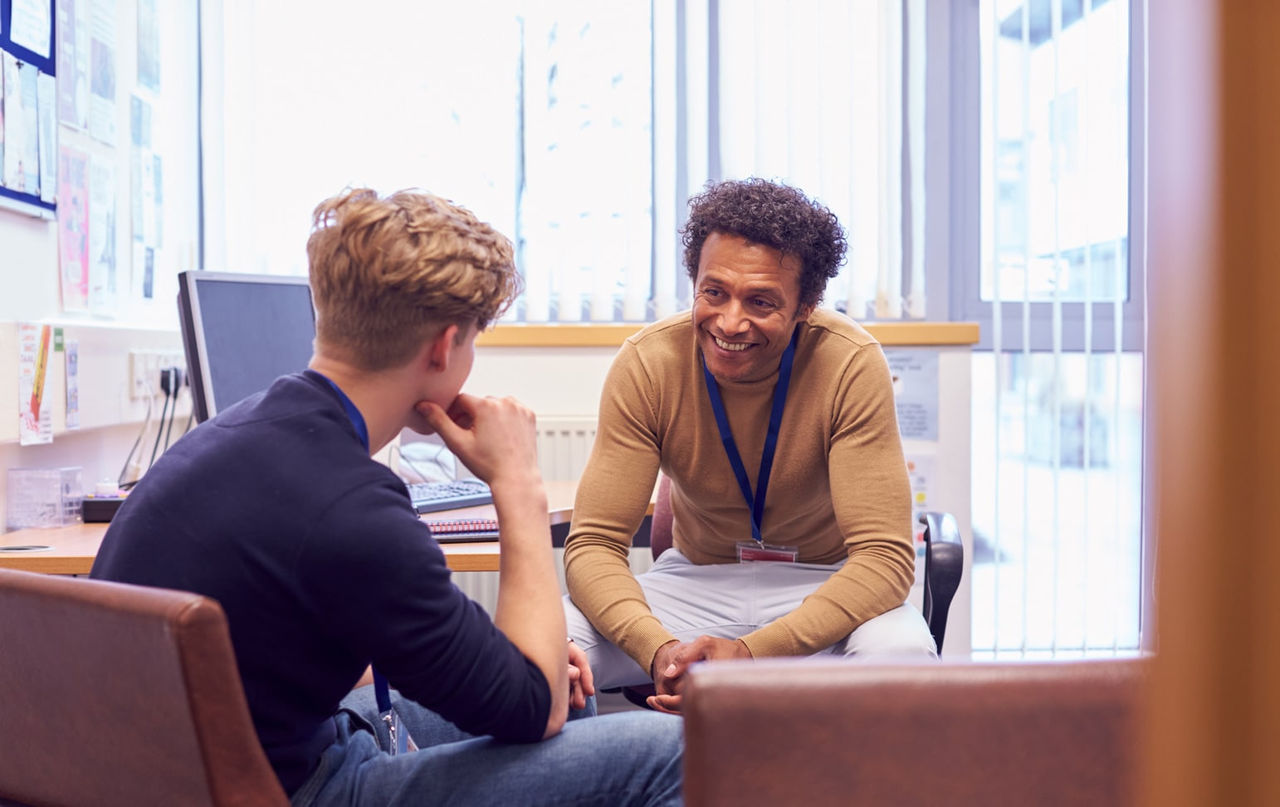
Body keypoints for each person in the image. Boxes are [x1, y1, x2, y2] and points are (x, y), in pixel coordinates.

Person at [92, 188, 683, 805]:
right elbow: (533, 709)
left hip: (194, 767)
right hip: (297, 788)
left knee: (572, 694)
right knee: (677, 753)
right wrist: (518, 484)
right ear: (442, 346)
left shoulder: (232, 433)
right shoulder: (355, 510)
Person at [563, 178, 936, 713]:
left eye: (760, 301)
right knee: (546, 646)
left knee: (903, 660)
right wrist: (661, 651)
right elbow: (594, 545)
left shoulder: (850, 363)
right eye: (714, 292)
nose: (730, 322)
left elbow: (884, 560)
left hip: (823, 585)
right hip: (695, 585)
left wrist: (752, 654)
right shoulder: (649, 363)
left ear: (805, 305)